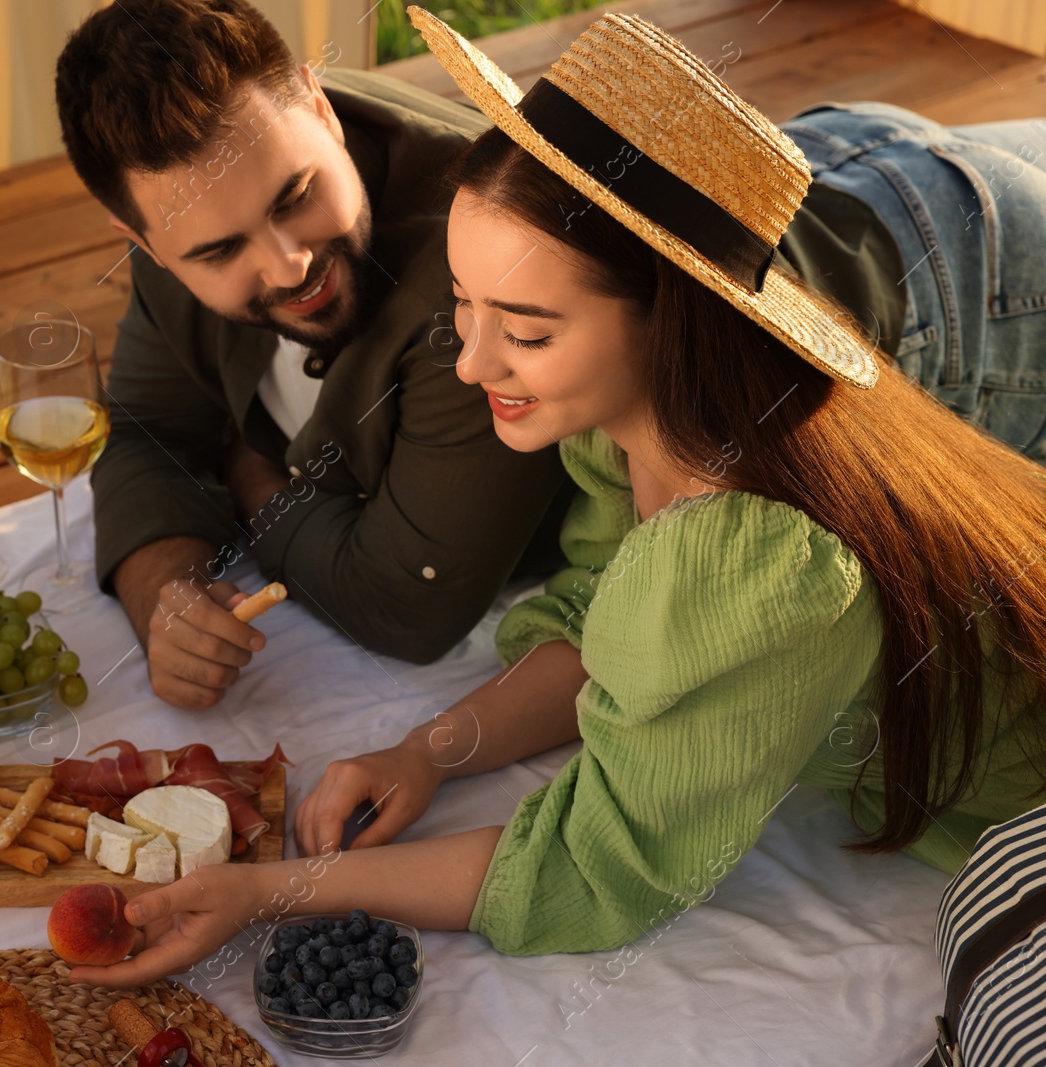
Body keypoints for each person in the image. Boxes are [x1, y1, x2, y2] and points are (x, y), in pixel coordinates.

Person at [66, 10, 1046, 988]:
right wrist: (431, 749)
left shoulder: (757, 557)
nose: (476, 360)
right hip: (878, 162)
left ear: (671, 310)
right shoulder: (621, 430)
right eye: (461, 303)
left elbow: (589, 872)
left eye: (527, 334)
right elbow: (599, 619)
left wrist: (274, 888)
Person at [53, 0, 578, 710]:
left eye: (295, 195)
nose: (289, 264)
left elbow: (404, 605)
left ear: (322, 110)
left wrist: (246, 467)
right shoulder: (179, 218)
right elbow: (149, 431)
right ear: (147, 245)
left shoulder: (484, 276)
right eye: (220, 251)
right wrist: (163, 592)